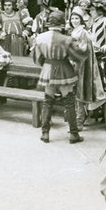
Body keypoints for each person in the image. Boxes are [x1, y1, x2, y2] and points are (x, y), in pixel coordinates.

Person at [34, 11, 87, 144]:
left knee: (47, 101)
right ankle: (74, 134)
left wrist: (46, 64)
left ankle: (45, 133)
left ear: (48, 23)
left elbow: (37, 58)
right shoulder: (66, 39)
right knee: (69, 101)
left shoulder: (40, 37)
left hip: (48, 68)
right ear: (62, 23)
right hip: (63, 69)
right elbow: (77, 55)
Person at [69, 7, 106, 130]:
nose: (74, 21)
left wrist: (71, 51)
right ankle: (76, 117)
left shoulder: (83, 32)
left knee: (80, 92)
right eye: (72, 18)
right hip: (74, 65)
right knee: (74, 92)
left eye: (77, 18)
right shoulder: (74, 31)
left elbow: (83, 50)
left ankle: (80, 119)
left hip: (82, 66)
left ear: (81, 20)